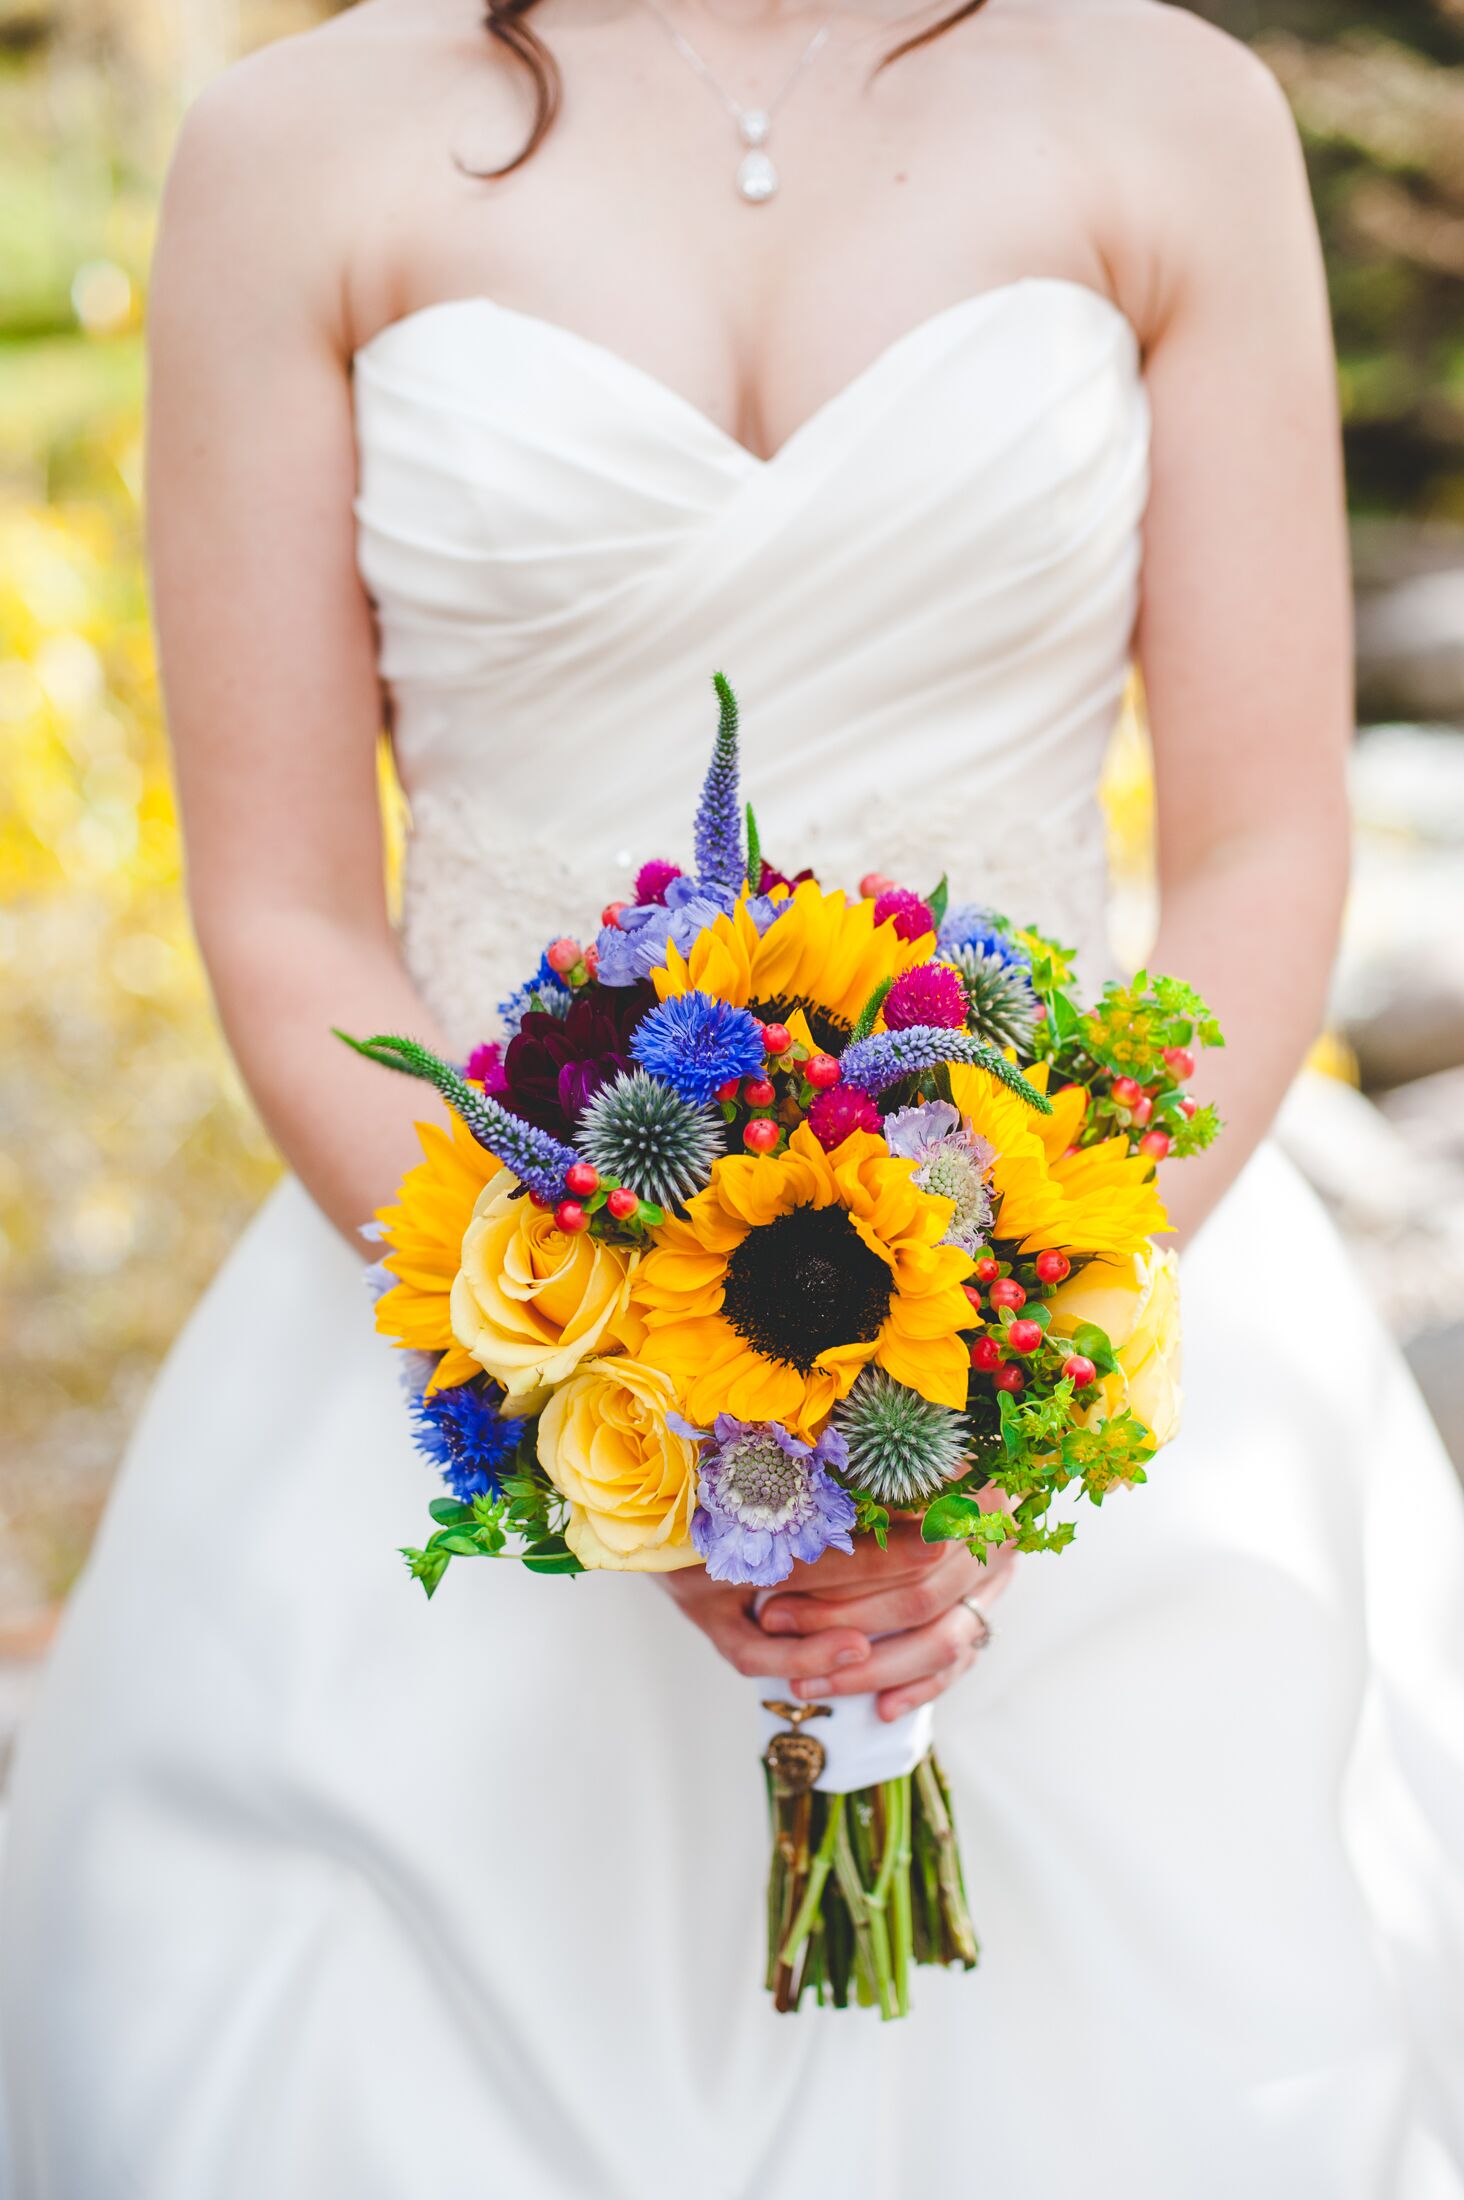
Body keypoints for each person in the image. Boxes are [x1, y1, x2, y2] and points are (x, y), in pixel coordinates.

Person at [4, 0, 1463, 2191]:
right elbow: (291, 912)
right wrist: (616, 1369)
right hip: (469, 1322)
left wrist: (1016, 1351)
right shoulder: (293, 149)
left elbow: (1261, 840)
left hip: (1085, 1304)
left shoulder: (1170, 110)